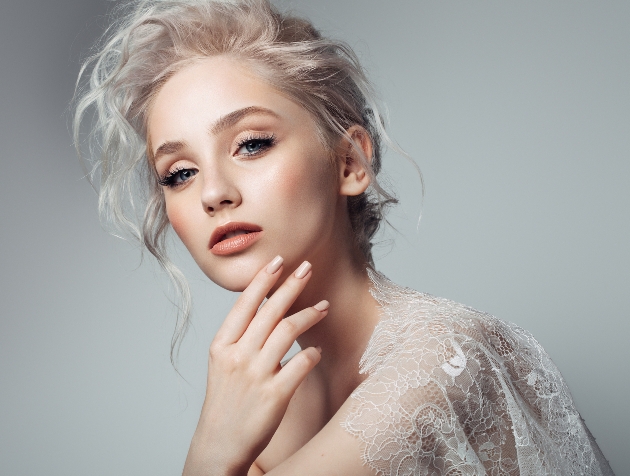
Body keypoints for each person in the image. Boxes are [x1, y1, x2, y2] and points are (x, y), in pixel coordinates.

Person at [73, 1, 615, 474]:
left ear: (350, 161)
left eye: (253, 143)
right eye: (179, 174)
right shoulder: (268, 409)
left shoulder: (440, 360)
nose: (213, 193)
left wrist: (212, 454)